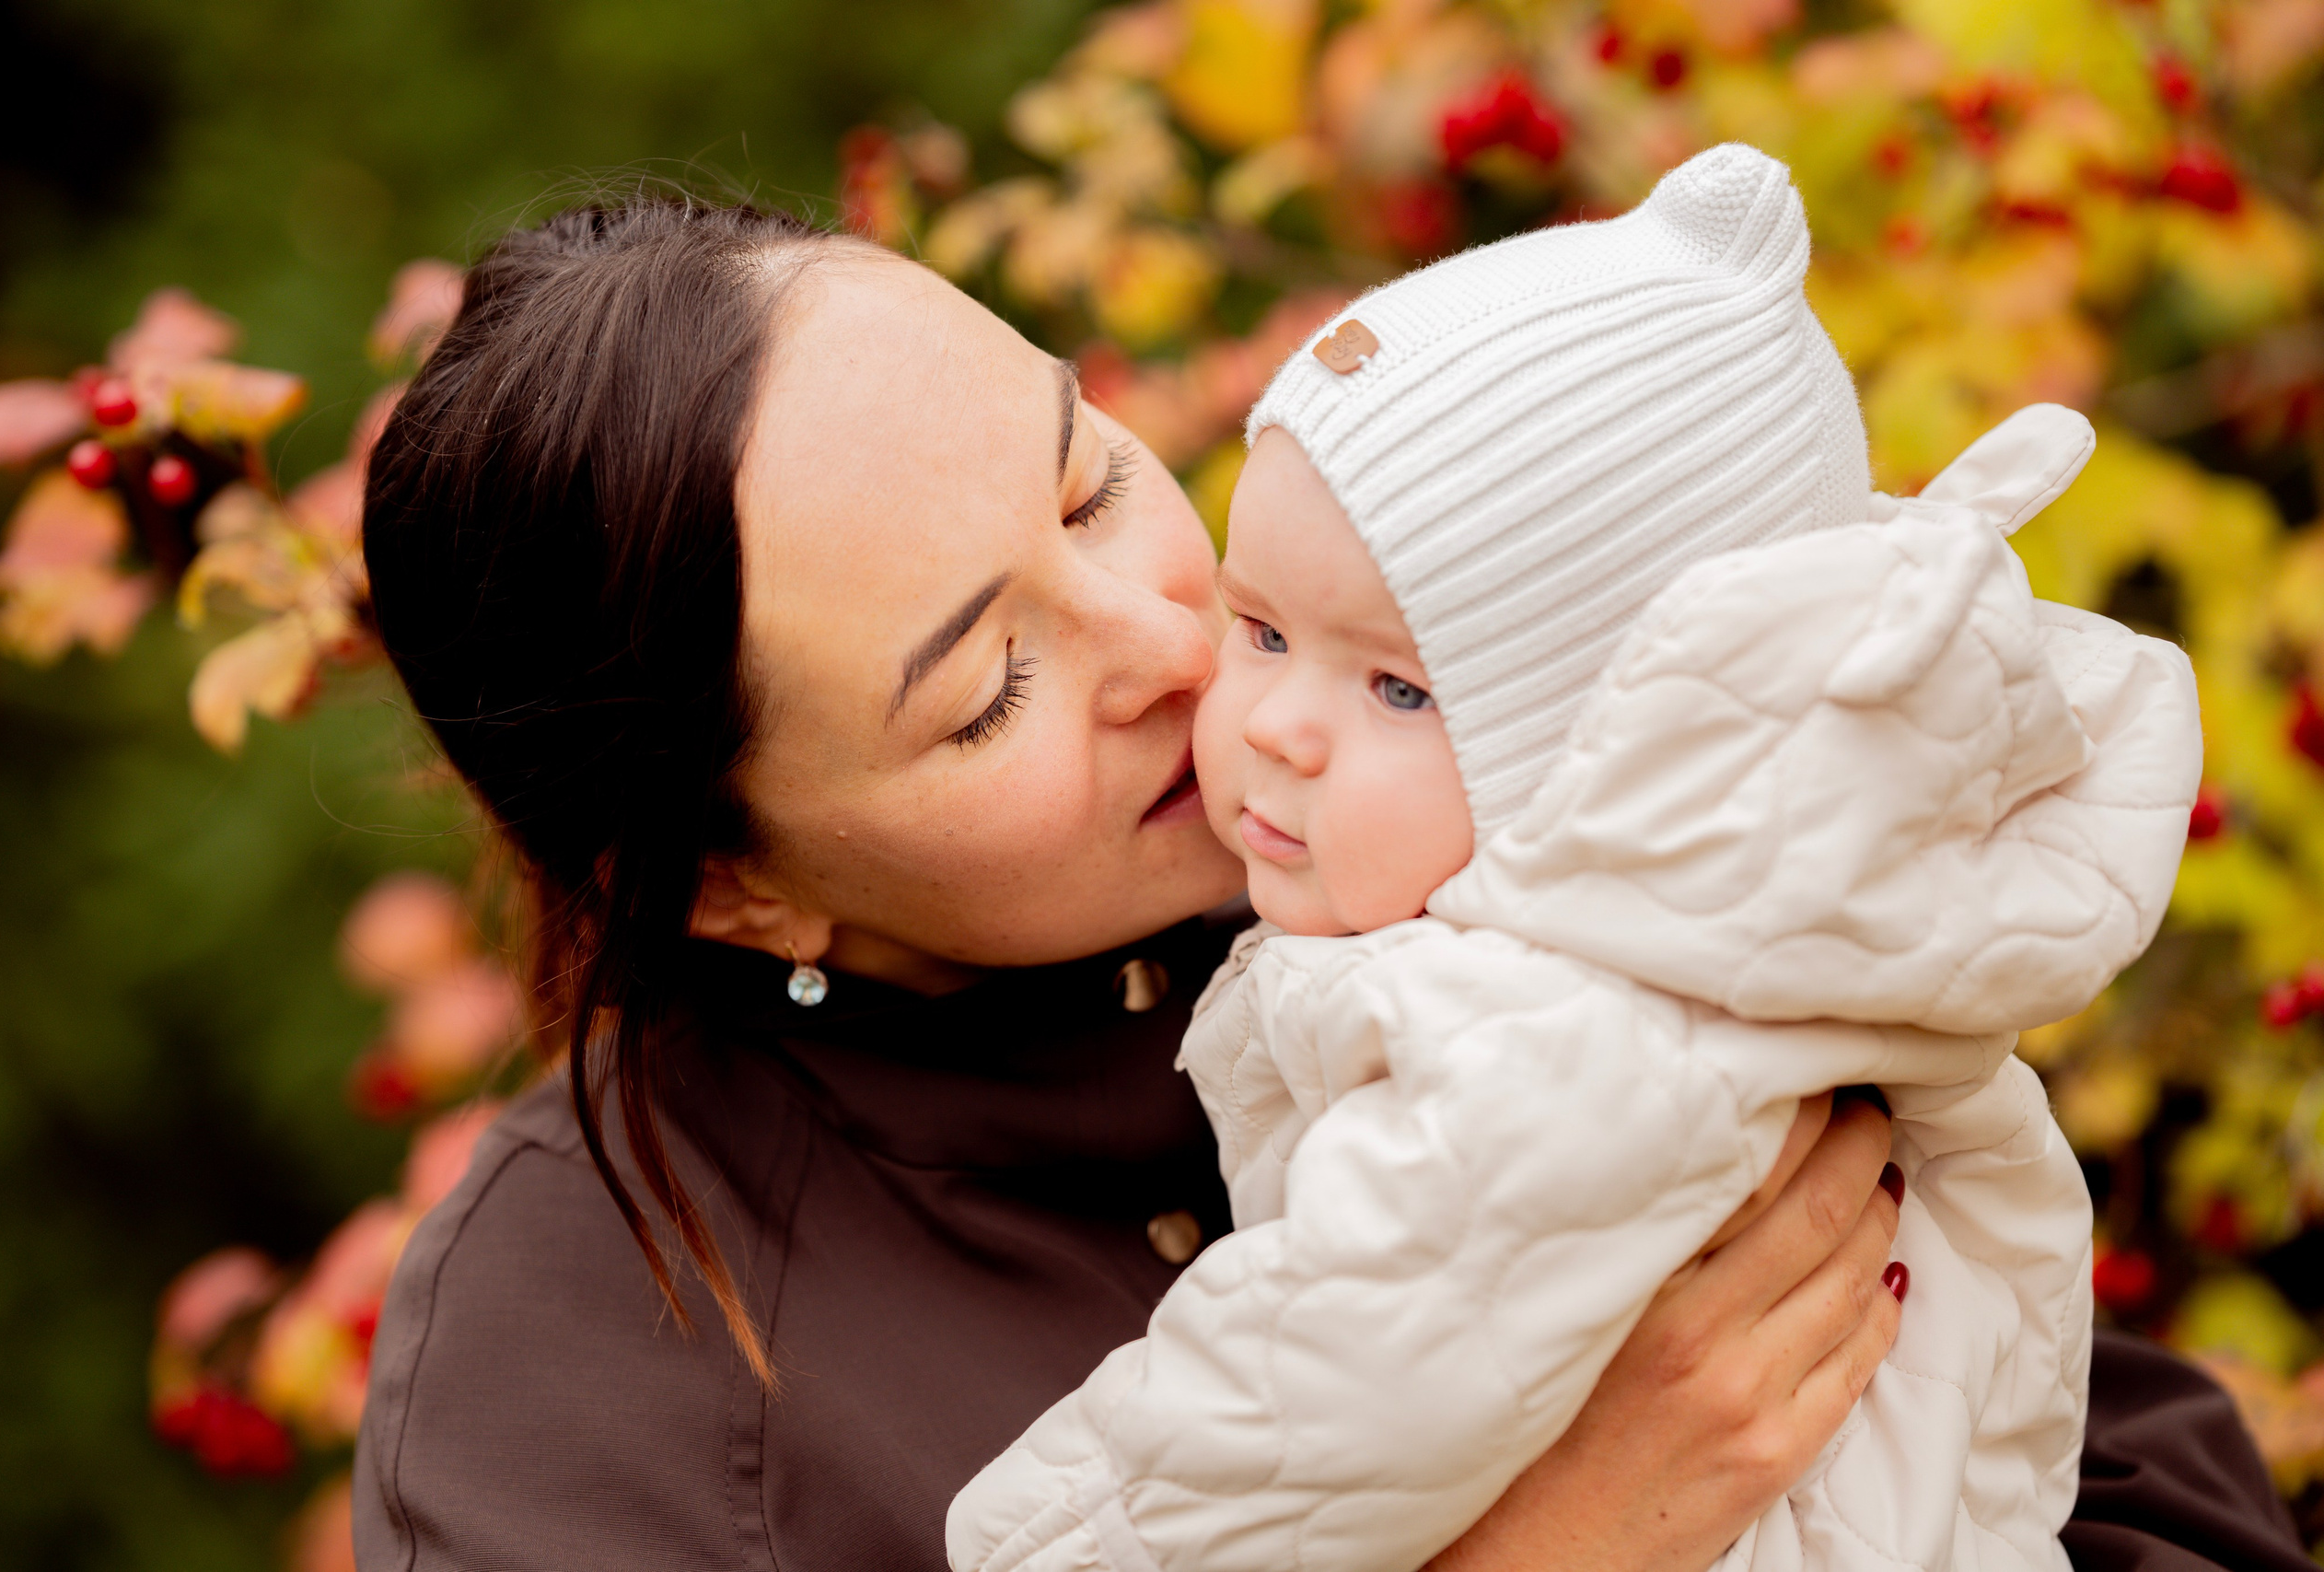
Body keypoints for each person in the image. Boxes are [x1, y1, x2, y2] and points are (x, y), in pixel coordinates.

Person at [351, 192, 2315, 1572]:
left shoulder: (1470, 841)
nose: (1174, 640)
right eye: (989, 688)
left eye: (1087, 476)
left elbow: (2111, 1454)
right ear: (730, 882)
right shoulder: (564, 1368)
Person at [945, 145, 2197, 1572]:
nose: (1274, 727)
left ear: (1617, 744)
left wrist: (1043, 1546)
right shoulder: (1719, 930)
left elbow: (1323, 1397)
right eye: (1267, 630)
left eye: (1401, 691)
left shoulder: (1547, 1037)